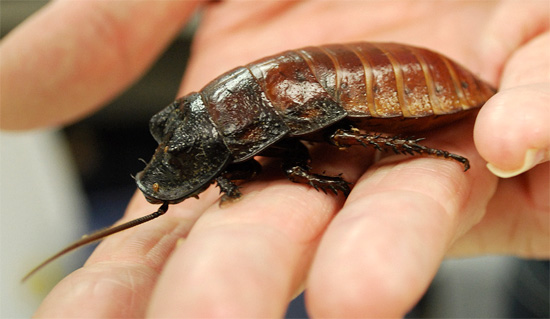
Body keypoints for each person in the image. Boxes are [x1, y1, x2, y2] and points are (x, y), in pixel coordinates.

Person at [1, 1, 548, 317]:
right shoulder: (233, 129)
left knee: (344, 130)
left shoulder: (261, 140)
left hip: (414, 85)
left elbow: (298, 152)